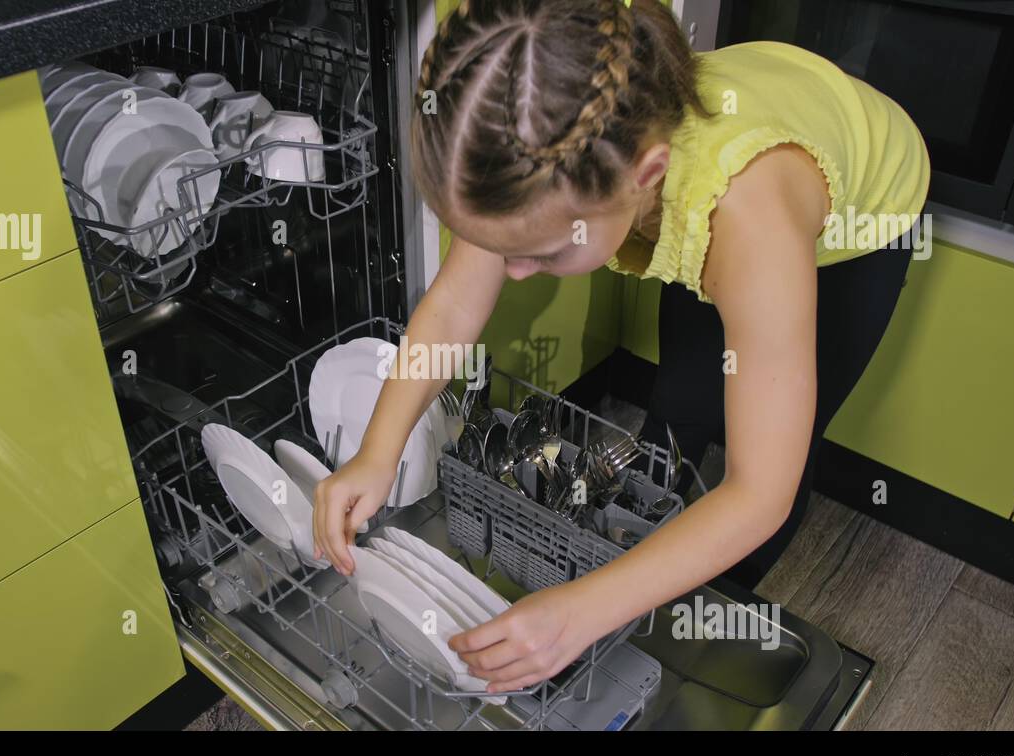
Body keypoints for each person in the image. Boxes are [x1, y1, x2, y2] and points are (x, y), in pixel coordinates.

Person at [312, 0, 930, 694]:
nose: (511, 274)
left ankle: (709, 611)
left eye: (538, 252)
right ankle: (656, 557)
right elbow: (455, 303)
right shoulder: (572, 129)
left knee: (779, 444)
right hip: (746, 131)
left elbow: (762, 492)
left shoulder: (748, 225)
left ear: (644, 176)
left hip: (864, 211)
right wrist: (377, 449)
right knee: (683, 403)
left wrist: (584, 611)